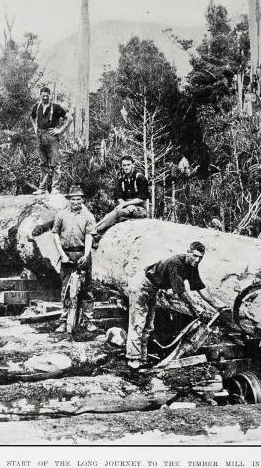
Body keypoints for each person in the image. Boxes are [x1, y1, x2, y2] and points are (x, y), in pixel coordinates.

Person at [125, 241, 227, 370]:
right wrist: (195, 307)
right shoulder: (176, 263)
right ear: (188, 252)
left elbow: (200, 287)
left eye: (200, 257)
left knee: (149, 324)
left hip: (153, 288)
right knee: (138, 322)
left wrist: (216, 305)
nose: (197, 260)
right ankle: (133, 358)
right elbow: (180, 291)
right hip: (142, 285)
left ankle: (142, 357)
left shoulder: (192, 265)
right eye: (194, 256)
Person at [52, 184, 98, 333]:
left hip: (82, 253)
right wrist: (63, 255)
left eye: (78, 199)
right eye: (73, 199)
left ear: (82, 200)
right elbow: (55, 235)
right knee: (66, 289)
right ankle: (64, 321)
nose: (75, 202)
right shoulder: (61, 215)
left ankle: (88, 320)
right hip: (67, 255)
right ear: (69, 200)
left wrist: (86, 255)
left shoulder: (88, 216)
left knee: (86, 289)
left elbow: (89, 236)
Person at [30, 86, 72, 194]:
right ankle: (42, 189)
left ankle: (55, 188)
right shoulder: (37, 106)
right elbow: (32, 116)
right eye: (43, 95)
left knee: (55, 163)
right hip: (40, 136)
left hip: (51, 136)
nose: (45, 98)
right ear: (40, 96)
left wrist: (60, 130)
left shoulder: (56, 107)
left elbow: (69, 118)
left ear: (50, 96)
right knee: (42, 163)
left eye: (47, 96)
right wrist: (35, 127)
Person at [95, 155, 149, 238]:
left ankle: (97, 231)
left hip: (140, 208)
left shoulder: (139, 178)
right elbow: (119, 197)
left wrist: (126, 204)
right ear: (121, 166)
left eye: (128, 165)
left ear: (132, 165)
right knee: (110, 214)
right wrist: (126, 205)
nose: (126, 167)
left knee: (117, 213)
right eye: (124, 165)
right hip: (127, 207)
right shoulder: (122, 179)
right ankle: (96, 230)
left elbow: (142, 198)